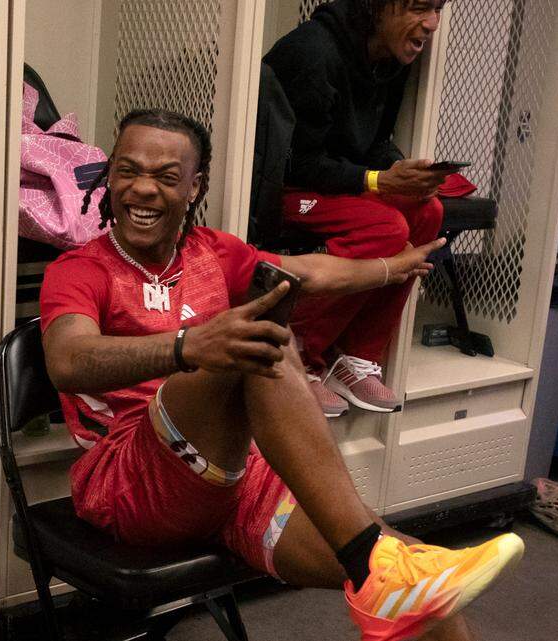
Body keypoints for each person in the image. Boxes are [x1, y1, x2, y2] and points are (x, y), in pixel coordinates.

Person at [40, 108, 522, 641]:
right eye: (128, 170)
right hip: (133, 484)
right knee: (262, 343)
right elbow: (68, 359)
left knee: (422, 589)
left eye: (166, 177)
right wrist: (188, 346)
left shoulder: (213, 251)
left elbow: (309, 271)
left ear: (195, 187)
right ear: (110, 177)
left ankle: (377, 569)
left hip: (232, 477)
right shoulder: (80, 270)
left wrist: (392, 267)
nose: (143, 189)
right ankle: (369, 558)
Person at [263, 0, 457, 417]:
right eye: (421, 7)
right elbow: (296, 161)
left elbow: (369, 144)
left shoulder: (389, 59)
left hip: (335, 183)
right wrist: (377, 179)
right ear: (377, 6)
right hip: (282, 189)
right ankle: (299, 354)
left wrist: (407, 172)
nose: (432, 23)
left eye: (438, 9)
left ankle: (353, 356)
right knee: (384, 227)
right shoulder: (312, 52)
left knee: (428, 212)